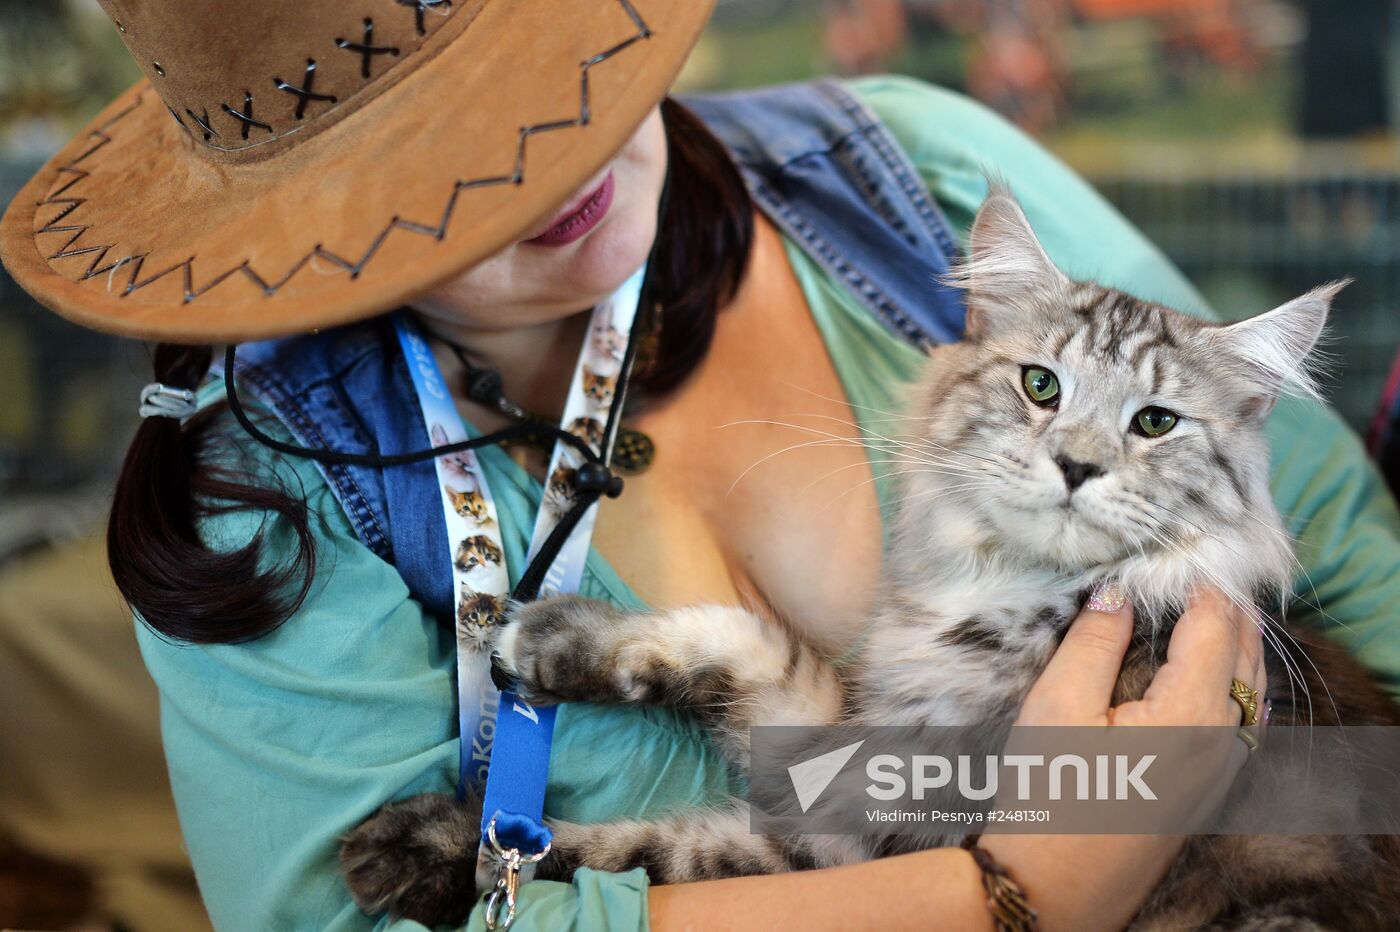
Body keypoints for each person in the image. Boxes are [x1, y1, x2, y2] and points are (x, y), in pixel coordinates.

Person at [2, 1, 1396, 929]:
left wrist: (1206, 768)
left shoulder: (914, 170)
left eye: (542, 94)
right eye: (437, 177)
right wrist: (1017, 886)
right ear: (292, 224)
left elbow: (1364, 653)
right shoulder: (265, 485)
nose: (549, 180)